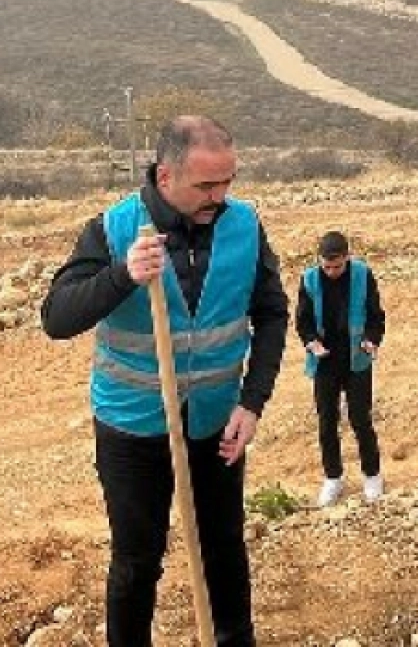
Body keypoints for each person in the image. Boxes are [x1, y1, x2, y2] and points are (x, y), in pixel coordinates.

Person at [41, 115, 289, 647]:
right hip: (133, 428)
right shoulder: (112, 230)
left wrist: (252, 403)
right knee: (137, 559)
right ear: (164, 176)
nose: (219, 197)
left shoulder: (245, 225)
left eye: (228, 181)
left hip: (217, 422)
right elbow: (57, 318)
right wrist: (121, 275)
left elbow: (271, 314)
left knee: (223, 547)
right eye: (206, 185)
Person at [295, 229, 387, 506]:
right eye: (327, 266)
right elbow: (303, 321)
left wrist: (372, 340)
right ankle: (333, 477)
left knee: (361, 419)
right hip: (325, 361)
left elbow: (376, 316)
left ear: (347, 257)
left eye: (337, 266)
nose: (332, 272)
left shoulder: (363, 275)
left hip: (356, 358)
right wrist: (312, 343)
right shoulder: (309, 280)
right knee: (326, 422)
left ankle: (372, 475)